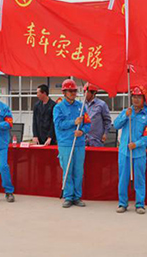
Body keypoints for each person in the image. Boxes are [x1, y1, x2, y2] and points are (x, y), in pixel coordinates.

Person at [113, 87, 147, 214]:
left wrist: (136, 144)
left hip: (139, 153)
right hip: (124, 152)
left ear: (143, 99)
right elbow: (116, 125)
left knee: (139, 179)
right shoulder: (126, 112)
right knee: (123, 178)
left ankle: (140, 204)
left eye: (139, 97)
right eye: (134, 97)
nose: (136, 99)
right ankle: (122, 203)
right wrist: (125, 116)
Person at [54, 79, 91, 208]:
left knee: (78, 171)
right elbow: (58, 124)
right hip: (65, 143)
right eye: (70, 91)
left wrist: (82, 131)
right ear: (64, 92)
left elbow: (88, 123)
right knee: (68, 170)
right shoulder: (58, 107)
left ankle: (77, 197)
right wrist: (73, 122)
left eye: (74, 90)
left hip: (79, 143)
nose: (72, 93)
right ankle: (68, 196)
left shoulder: (81, 106)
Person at [83, 83, 112, 147]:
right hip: (84, 139)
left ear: (93, 93)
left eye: (87, 92)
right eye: (84, 91)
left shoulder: (102, 104)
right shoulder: (82, 105)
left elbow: (107, 121)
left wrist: (105, 133)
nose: (84, 94)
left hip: (96, 140)